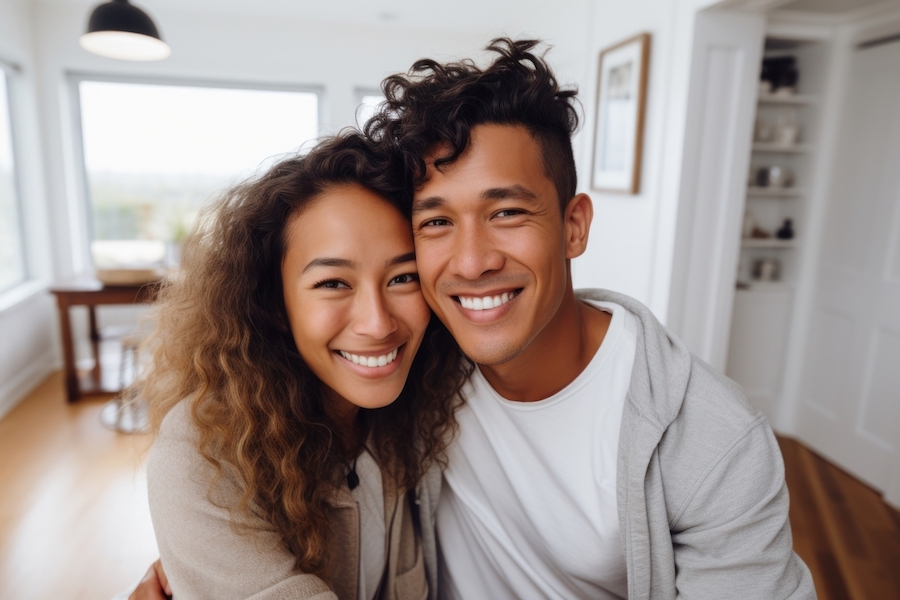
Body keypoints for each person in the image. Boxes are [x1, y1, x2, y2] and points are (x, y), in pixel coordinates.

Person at [134, 38, 817, 599]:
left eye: (508, 212)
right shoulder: (419, 367)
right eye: (436, 223)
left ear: (573, 225)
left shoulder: (711, 443)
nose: (471, 261)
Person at [127, 133, 469, 600]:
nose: (377, 323)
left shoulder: (412, 408)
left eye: (403, 277)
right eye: (332, 282)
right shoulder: (199, 451)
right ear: (272, 302)